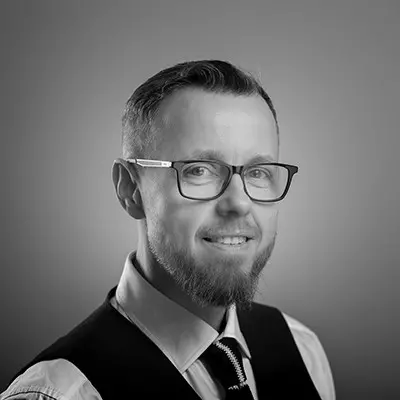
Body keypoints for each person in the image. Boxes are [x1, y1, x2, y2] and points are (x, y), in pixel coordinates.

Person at [1, 60, 335, 400]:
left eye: (258, 172)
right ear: (130, 189)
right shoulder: (60, 394)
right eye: (199, 170)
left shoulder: (303, 349)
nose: (239, 203)